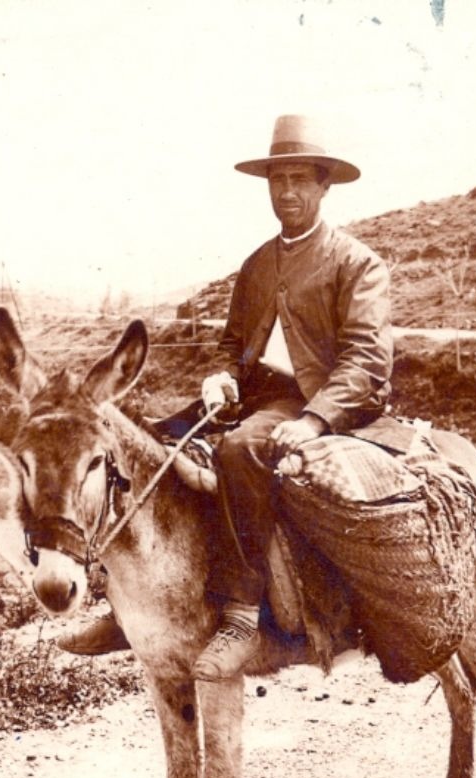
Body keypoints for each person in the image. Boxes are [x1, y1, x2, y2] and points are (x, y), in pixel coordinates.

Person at [59, 115, 394, 681]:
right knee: (149, 445)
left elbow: (367, 361)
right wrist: (221, 376)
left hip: (323, 401)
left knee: (239, 453)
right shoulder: (259, 265)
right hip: (256, 398)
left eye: (300, 180)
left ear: (324, 186)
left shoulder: (356, 264)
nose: (286, 193)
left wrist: (314, 420)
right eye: (276, 181)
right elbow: (233, 344)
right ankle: (123, 604)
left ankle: (240, 614)